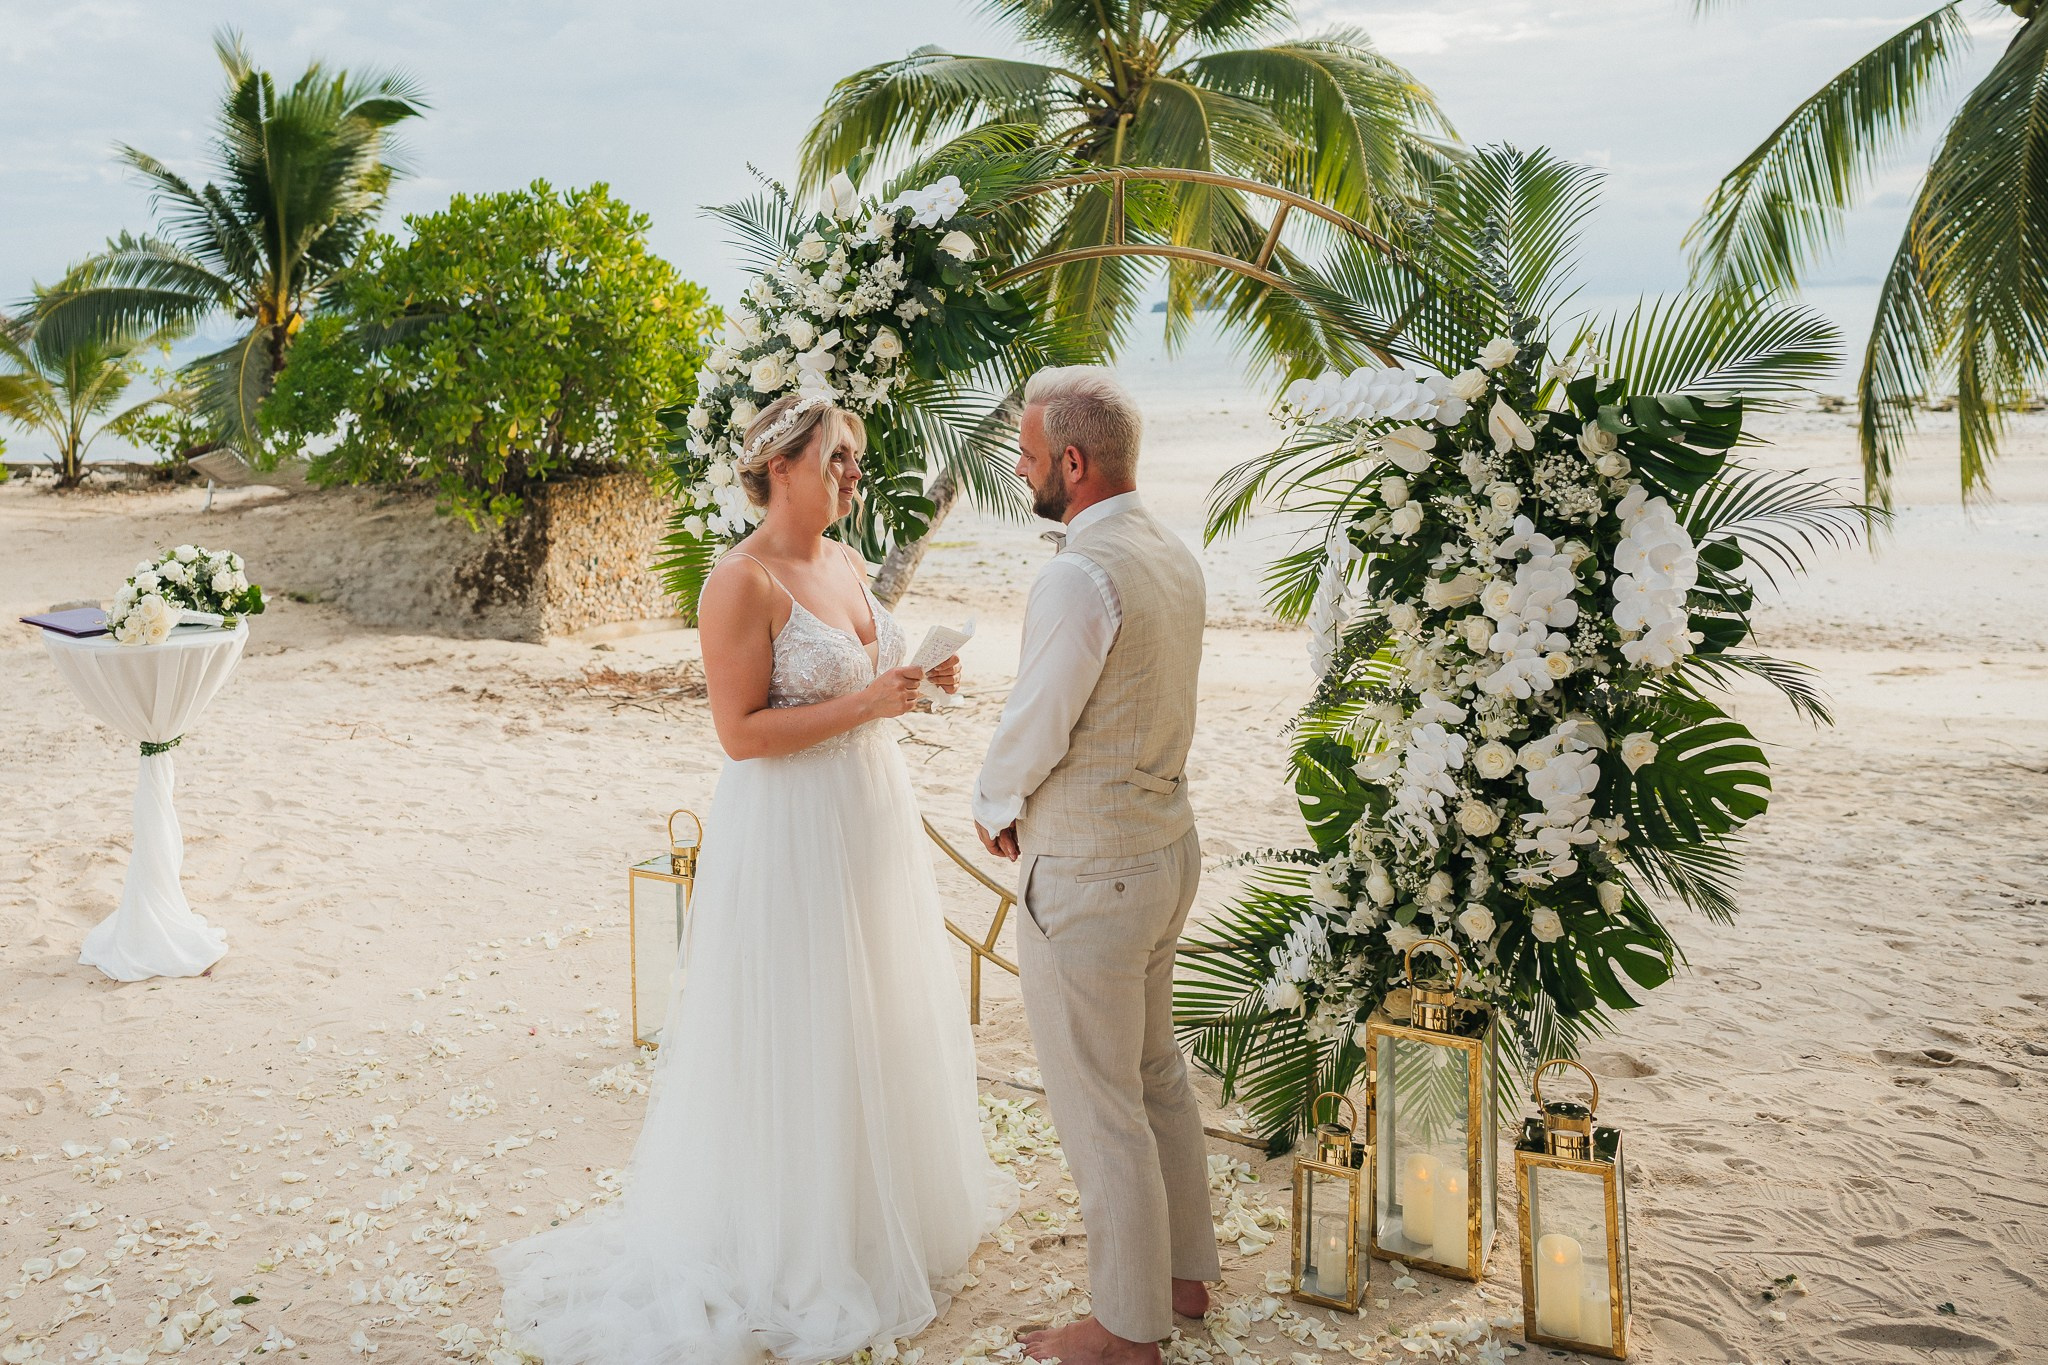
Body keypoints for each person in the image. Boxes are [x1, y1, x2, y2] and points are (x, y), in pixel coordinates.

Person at [493, 392, 1016, 1364]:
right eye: (838, 458)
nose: (854, 474)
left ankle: (870, 1215)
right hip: (787, 829)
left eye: (858, 458)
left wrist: (920, 679)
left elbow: (872, 674)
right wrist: (870, 700)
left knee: (870, 1009)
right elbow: (739, 735)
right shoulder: (740, 583)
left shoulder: (850, 563)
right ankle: (789, 1236)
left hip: (867, 816)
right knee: (798, 1020)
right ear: (779, 466)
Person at [973, 366, 1219, 1365]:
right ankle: (1184, 1273)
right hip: (1165, 853)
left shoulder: (1078, 574)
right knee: (1155, 1072)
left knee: (1096, 1099)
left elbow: (1038, 718)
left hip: (1091, 876)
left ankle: (1125, 1328)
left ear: (1071, 463)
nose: (1023, 474)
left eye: (1029, 458)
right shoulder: (1171, 552)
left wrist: (992, 804)